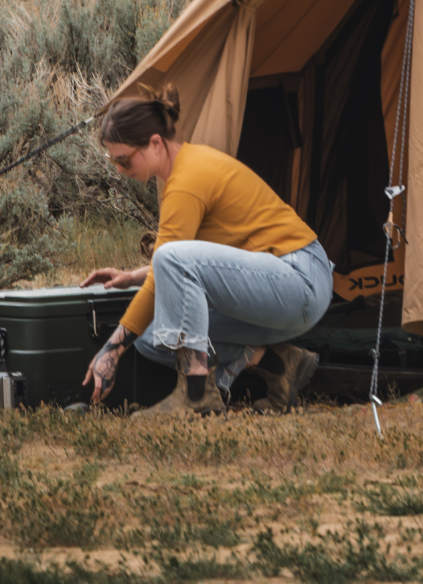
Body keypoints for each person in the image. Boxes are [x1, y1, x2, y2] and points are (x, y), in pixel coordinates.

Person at [81, 87, 333, 417]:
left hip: (301, 280)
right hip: (280, 285)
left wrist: (110, 352)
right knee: (155, 337)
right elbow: (195, 263)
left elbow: (172, 263)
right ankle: (281, 364)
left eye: (123, 159)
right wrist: (133, 277)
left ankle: (197, 396)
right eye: (112, 161)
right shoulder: (183, 170)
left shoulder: (188, 180)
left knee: (168, 261)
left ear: (155, 143)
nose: (119, 169)